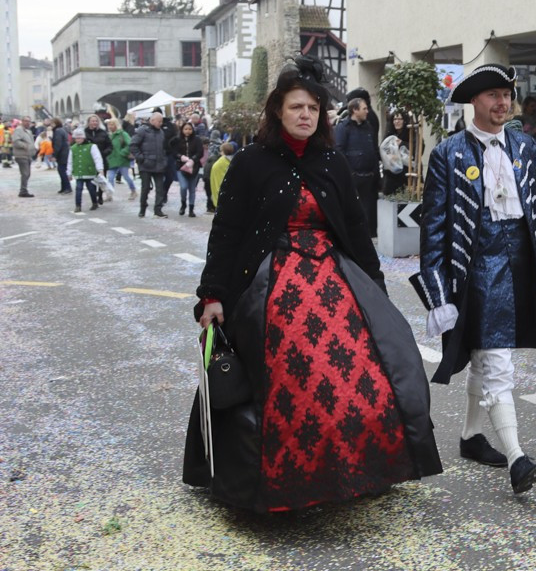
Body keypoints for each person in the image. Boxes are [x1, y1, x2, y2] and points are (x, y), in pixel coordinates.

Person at [183, 55, 441, 512]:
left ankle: (355, 471)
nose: (306, 115)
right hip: (270, 285)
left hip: (333, 280)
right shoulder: (250, 162)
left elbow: (357, 232)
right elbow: (226, 231)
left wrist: (375, 289)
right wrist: (213, 294)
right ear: (278, 111)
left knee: (369, 372)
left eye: (314, 109)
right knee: (295, 381)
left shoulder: (332, 161)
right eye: (297, 107)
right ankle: (292, 484)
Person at [415, 63, 536, 494]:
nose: (503, 103)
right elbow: (435, 229)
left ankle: (470, 437)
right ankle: (518, 458)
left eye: (507, 95)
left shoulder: (526, 146)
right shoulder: (449, 153)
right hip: (477, 267)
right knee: (496, 358)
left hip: (521, 262)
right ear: (474, 102)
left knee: (487, 354)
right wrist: (438, 293)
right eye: (493, 96)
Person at [335, 97, 380, 233]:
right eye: (364, 108)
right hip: (352, 178)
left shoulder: (368, 127)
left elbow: (373, 149)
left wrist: (375, 171)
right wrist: (349, 173)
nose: (367, 111)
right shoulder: (343, 127)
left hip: (368, 177)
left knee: (367, 211)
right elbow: (339, 151)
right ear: (355, 110)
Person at [130, 112, 169, 218]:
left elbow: (164, 148)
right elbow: (133, 145)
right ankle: (143, 208)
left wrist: (164, 160)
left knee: (160, 189)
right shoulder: (143, 130)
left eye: (161, 121)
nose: (160, 123)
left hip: (159, 164)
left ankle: (158, 209)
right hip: (146, 165)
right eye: (159, 121)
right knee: (145, 188)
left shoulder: (161, 132)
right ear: (152, 120)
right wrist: (141, 158)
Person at [68, 127, 103, 212]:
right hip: (79, 173)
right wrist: (69, 172)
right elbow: (70, 161)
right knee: (78, 189)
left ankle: (94, 202)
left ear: (84, 137)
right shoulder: (73, 148)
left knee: (91, 189)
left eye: (79, 137)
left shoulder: (91, 146)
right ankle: (78, 205)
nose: (78, 140)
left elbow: (97, 158)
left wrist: (100, 169)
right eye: (76, 138)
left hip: (89, 172)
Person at [174, 121, 204, 218]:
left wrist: (193, 159)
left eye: (189, 129)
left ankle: (191, 209)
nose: (187, 131)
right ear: (182, 130)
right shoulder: (178, 140)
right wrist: (180, 156)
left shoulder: (197, 140)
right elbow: (174, 152)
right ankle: (183, 204)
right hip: (181, 167)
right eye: (185, 129)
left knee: (192, 189)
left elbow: (200, 152)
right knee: (183, 187)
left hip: (194, 168)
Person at [83, 114, 113, 204]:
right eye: (92, 121)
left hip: (102, 160)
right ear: (88, 122)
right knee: (91, 180)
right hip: (89, 160)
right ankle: (93, 197)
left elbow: (110, 146)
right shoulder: (84, 133)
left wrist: (105, 153)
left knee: (101, 179)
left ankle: (100, 195)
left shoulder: (103, 133)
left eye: (96, 121)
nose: (94, 123)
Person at [380, 110, 410, 196]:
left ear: (404, 120)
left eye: (400, 119)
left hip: (406, 175)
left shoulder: (410, 134)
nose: (397, 121)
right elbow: (383, 151)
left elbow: (417, 149)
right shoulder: (389, 136)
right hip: (391, 176)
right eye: (395, 119)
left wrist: (402, 144)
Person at [105, 118, 137, 200]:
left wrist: (123, 152)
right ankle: (110, 194)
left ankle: (133, 190)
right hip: (112, 160)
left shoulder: (123, 134)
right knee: (110, 178)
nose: (110, 127)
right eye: (109, 125)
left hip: (122, 159)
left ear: (116, 125)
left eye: (112, 125)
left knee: (126, 176)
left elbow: (130, 144)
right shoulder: (109, 135)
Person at [11, 118, 35, 198]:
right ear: (22, 121)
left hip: (28, 155)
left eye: (29, 121)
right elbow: (16, 141)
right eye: (26, 121)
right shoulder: (18, 130)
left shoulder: (29, 131)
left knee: (27, 174)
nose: (28, 123)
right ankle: (23, 191)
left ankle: (23, 190)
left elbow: (31, 142)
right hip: (21, 155)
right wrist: (25, 146)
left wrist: (33, 149)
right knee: (25, 173)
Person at [209, 141, 235, 208]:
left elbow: (215, 181)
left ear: (222, 151)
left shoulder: (218, 164)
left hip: (220, 195)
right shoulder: (235, 161)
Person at [202, 128, 223, 212]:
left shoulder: (210, 145)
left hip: (208, 168)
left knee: (208, 187)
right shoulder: (220, 145)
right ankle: (212, 205)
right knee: (213, 186)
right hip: (215, 169)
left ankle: (209, 205)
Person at [50, 119, 71, 194]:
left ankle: (67, 187)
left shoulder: (58, 131)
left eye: (52, 123)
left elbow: (58, 144)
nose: (51, 125)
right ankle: (64, 187)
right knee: (62, 170)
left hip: (62, 154)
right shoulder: (62, 130)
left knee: (62, 171)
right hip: (64, 153)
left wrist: (54, 155)